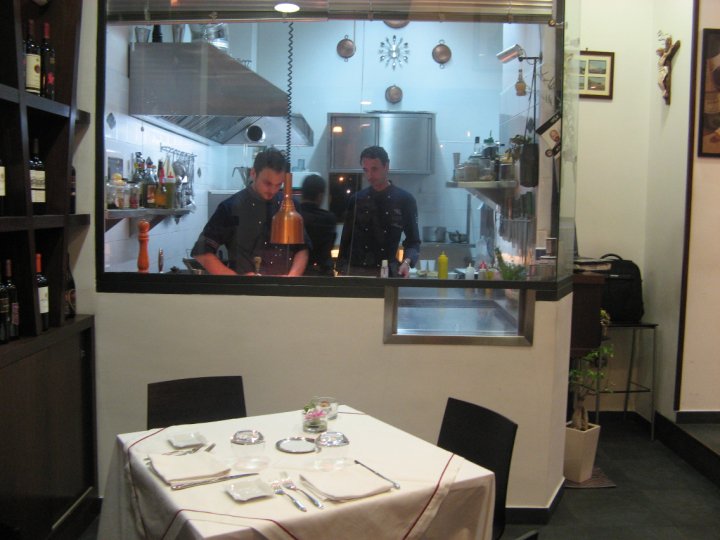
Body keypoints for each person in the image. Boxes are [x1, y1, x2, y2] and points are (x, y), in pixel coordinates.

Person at [191, 148, 308, 276]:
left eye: (278, 185)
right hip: (244, 286)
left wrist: (292, 276)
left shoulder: (291, 208)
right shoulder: (231, 207)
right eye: (267, 183)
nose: (273, 190)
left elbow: (302, 249)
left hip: (283, 285)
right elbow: (202, 253)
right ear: (253, 173)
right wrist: (237, 280)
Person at [336, 145, 420, 277]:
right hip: (355, 271)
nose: (369, 175)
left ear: (386, 166)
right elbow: (345, 241)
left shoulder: (404, 199)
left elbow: (413, 241)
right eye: (366, 170)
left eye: (374, 169)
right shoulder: (357, 199)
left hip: (386, 271)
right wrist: (341, 268)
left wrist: (406, 262)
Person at [298, 174, 337, 276]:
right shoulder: (329, 218)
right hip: (322, 273)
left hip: (297, 272)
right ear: (320, 196)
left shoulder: (295, 217)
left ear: (302, 193)